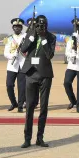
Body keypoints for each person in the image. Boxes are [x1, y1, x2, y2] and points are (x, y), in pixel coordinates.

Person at [19, 14, 57, 148]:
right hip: (30, 73)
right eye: (38, 25)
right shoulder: (30, 34)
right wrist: (32, 35)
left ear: (46, 25)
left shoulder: (51, 37)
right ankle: (27, 138)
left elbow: (50, 55)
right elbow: (23, 49)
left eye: (43, 25)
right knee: (29, 107)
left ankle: (40, 137)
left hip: (45, 74)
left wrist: (43, 38)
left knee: (43, 107)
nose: (41, 27)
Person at [4, 18, 27, 112]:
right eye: (15, 27)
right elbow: (5, 53)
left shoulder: (26, 36)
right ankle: (14, 103)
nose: (17, 28)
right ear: (13, 28)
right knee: (9, 85)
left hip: (22, 64)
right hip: (12, 65)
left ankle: (20, 106)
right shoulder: (9, 39)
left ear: (21, 28)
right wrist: (12, 56)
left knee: (22, 87)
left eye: (19, 27)